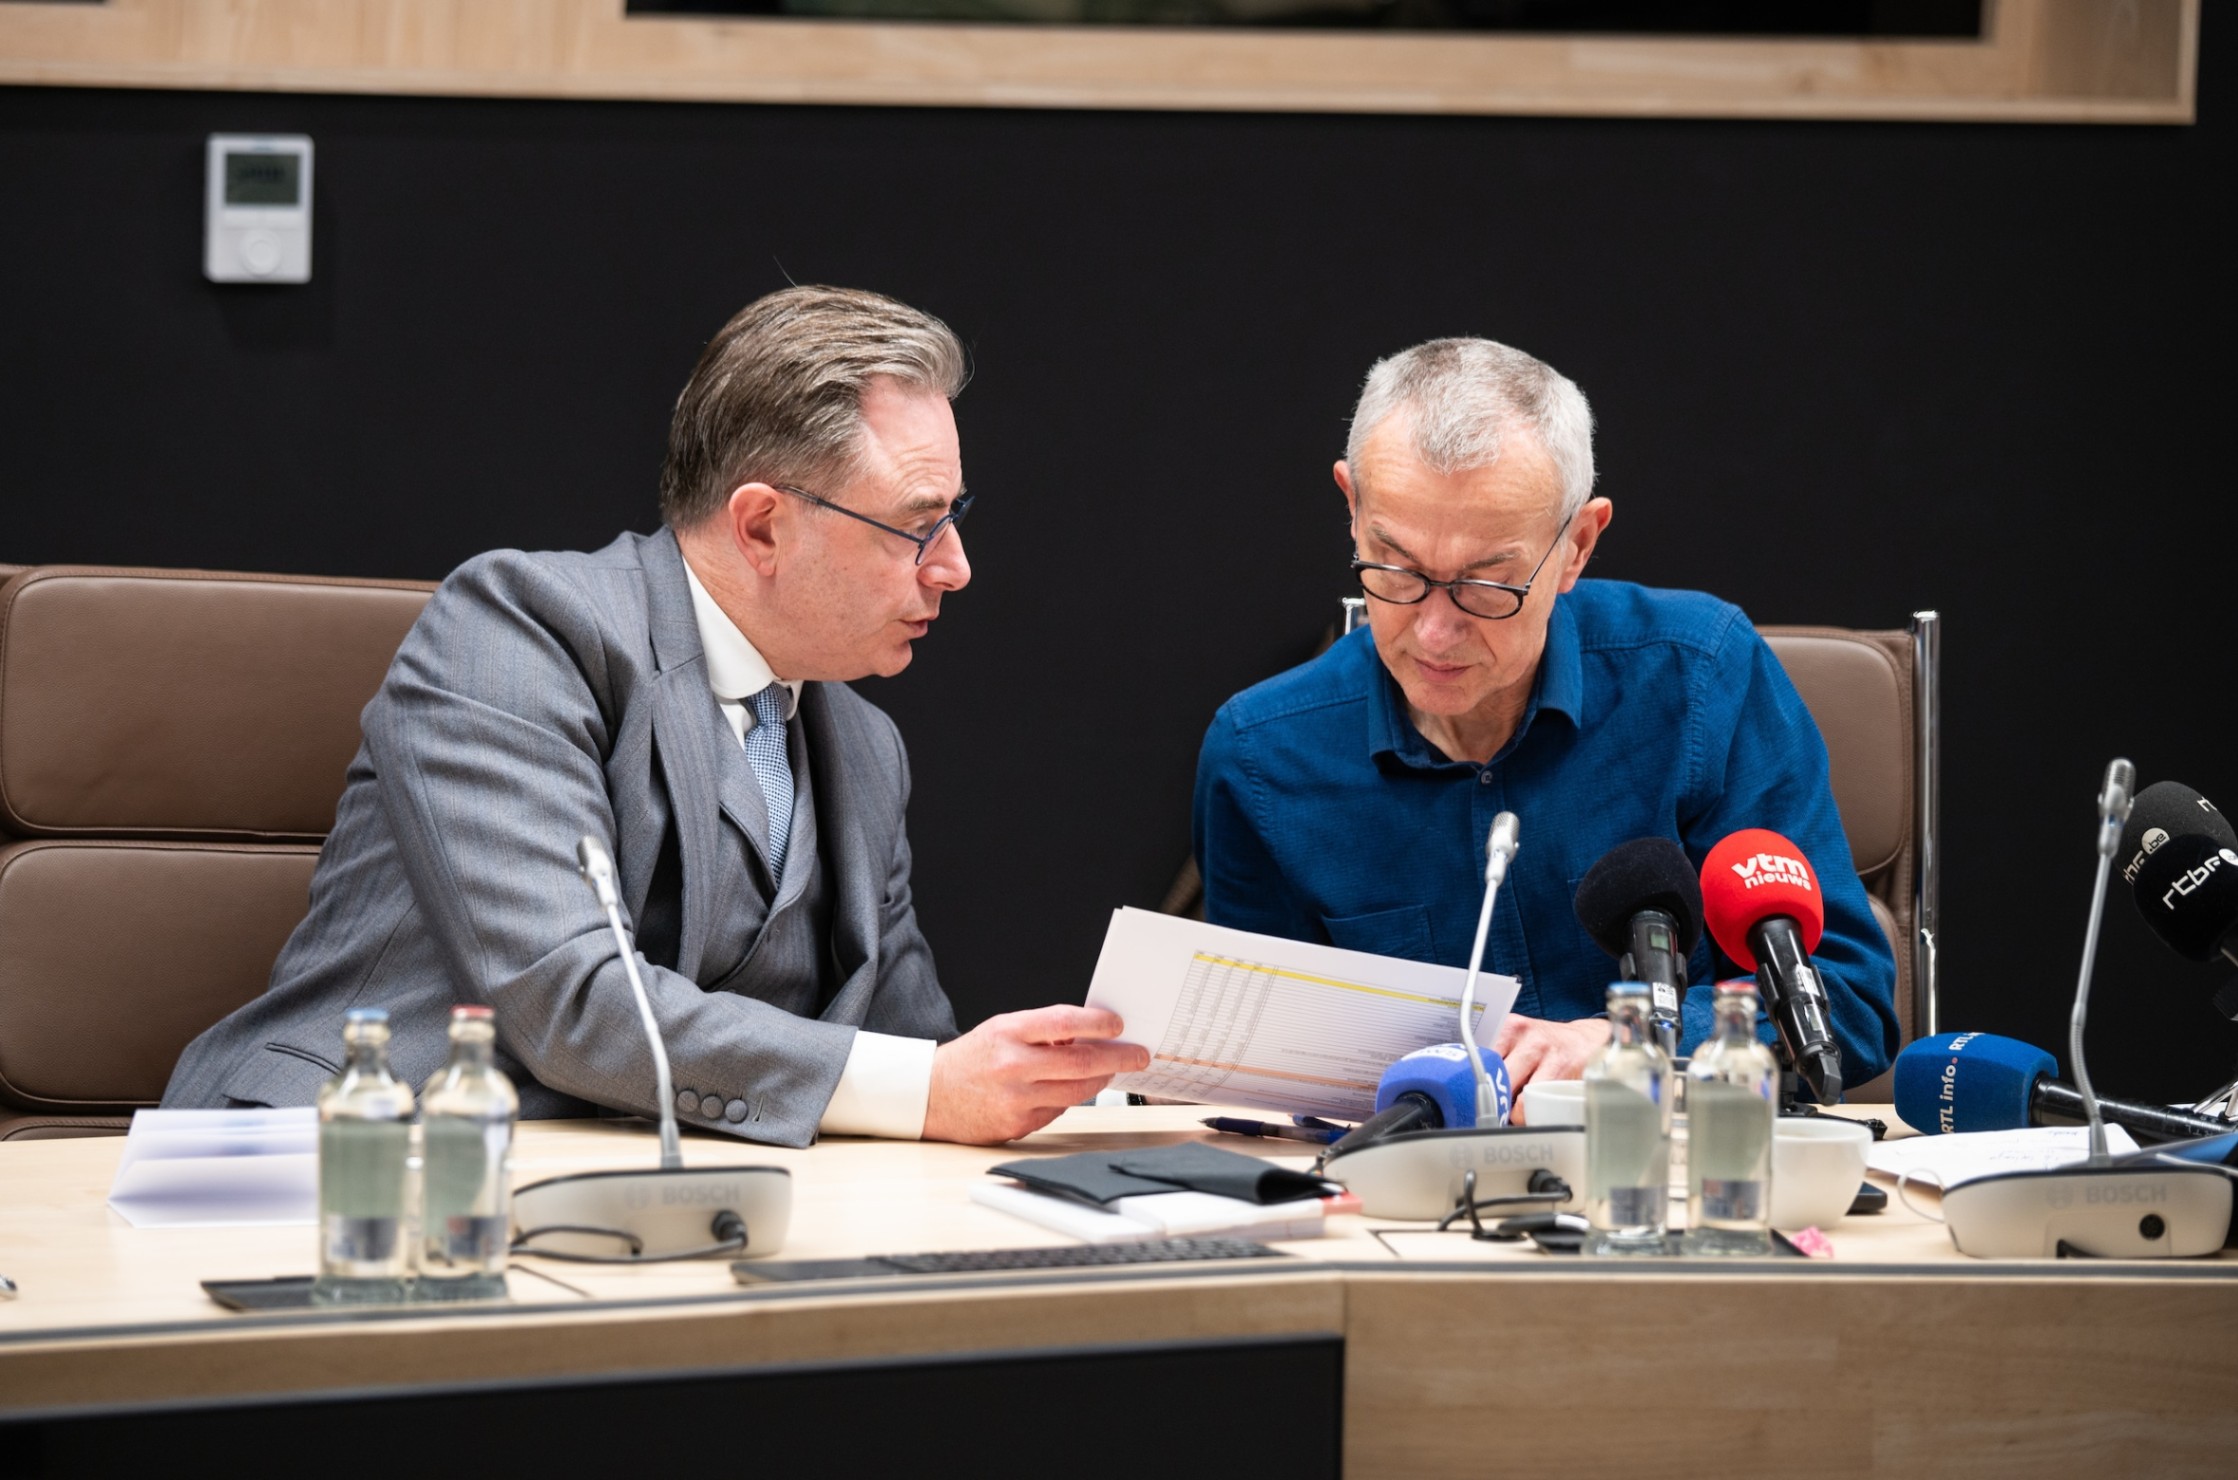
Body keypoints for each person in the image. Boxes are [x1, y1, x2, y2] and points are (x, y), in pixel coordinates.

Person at [165, 285, 1147, 1145]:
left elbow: (911, 1056)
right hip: (346, 1172)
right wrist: (928, 1088)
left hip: (657, 1208)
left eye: (955, 519)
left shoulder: (863, 744)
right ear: (762, 526)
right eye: (917, 526)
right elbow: (569, 998)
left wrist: (1048, 1088)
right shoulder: (516, 630)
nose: (955, 568)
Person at [1191, 337, 1898, 1104]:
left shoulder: (1702, 677)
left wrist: (1630, 1045)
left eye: (1487, 584)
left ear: (1578, 545)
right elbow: (1246, 1075)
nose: (1435, 632)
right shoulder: (1260, 757)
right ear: (1352, 508)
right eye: (1397, 569)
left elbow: (1847, 1002)